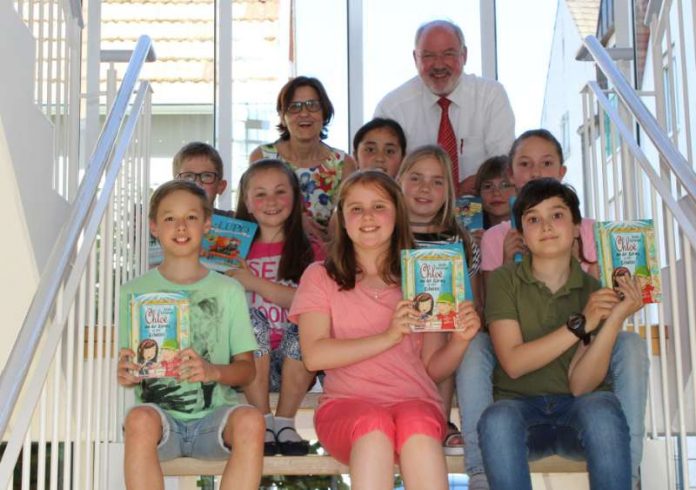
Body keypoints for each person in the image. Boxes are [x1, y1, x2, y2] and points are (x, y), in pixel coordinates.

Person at [457, 129, 649, 490]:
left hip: (579, 417)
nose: (546, 226)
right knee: (496, 418)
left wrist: (613, 319)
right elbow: (512, 363)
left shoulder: (593, 288)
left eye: (557, 216)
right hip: (520, 416)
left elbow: (580, 385)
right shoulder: (504, 281)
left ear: (577, 228)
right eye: (533, 219)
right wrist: (581, 324)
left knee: (604, 408)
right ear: (522, 233)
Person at [289, 171, 480, 489]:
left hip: (415, 402)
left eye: (379, 206)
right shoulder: (320, 275)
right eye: (355, 208)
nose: (367, 217)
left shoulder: (421, 275)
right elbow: (314, 355)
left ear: (397, 214)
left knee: (417, 420)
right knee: (372, 422)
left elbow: (433, 369)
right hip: (346, 407)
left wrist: (460, 341)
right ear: (343, 219)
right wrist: (388, 336)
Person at [117, 180, 264, 490]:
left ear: (207, 225)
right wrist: (127, 372)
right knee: (138, 419)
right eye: (170, 218)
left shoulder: (229, 290)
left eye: (192, 217)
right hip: (161, 424)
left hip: (215, 422)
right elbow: (130, 364)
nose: (181, 226)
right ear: (154, 227)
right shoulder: (132, 292)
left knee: (251, 420)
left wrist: (212, 371)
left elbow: (247, 371)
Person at [230, 159, 324, 456]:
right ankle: (262, 418)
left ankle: (284, 420)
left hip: (294, 367)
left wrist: (253, 282)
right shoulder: (233, 250)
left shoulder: (311, 249)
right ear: (246, 201)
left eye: (280, 192)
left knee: (305, 322)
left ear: (295, 197)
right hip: (249, 364)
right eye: (260, 194)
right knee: (251, 319)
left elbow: (311, 304)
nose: (270, 201)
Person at [396, 145, 482, 457]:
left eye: (436, 181)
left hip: (441, 333)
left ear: (448, 191)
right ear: (399, 181)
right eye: (416, 178)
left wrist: (458, 316)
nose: (425, 188)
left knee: (448, 327)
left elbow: (472, 300)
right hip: (396, 326)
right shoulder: (386, 234)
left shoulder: (461, 239)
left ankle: (441, 419)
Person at [374, 20, 515, 196]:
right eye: (428, 56)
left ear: (464, 55)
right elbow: (381, 175)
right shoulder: (392, 108)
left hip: (482, 208)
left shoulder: (491, 95)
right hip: (415, 211)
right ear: (415, 58)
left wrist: (471, 185)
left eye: (448, 54)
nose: (439, 65)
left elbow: (504, 165)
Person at [249, 76, 356, 242]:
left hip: (327, 254)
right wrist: (295, 221)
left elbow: (351, 215)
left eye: (312, 105)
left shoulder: (345, 163)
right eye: (294, 107)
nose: (304, 113)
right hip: (275, 249)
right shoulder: (262, 157)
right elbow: (251, 209)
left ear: (324, 112)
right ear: (282, 116)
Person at [172, 141, 231, 215]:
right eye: (188, 177)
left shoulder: (237, 223)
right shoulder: (162, 223)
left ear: (220, 186)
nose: (197, 184)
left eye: (206, 176)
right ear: (175, 186)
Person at [474, 155, 515, 230]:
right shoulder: (469, 230)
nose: (496, 193)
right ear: (479, 193)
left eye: (505, 185)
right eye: (488, 186)